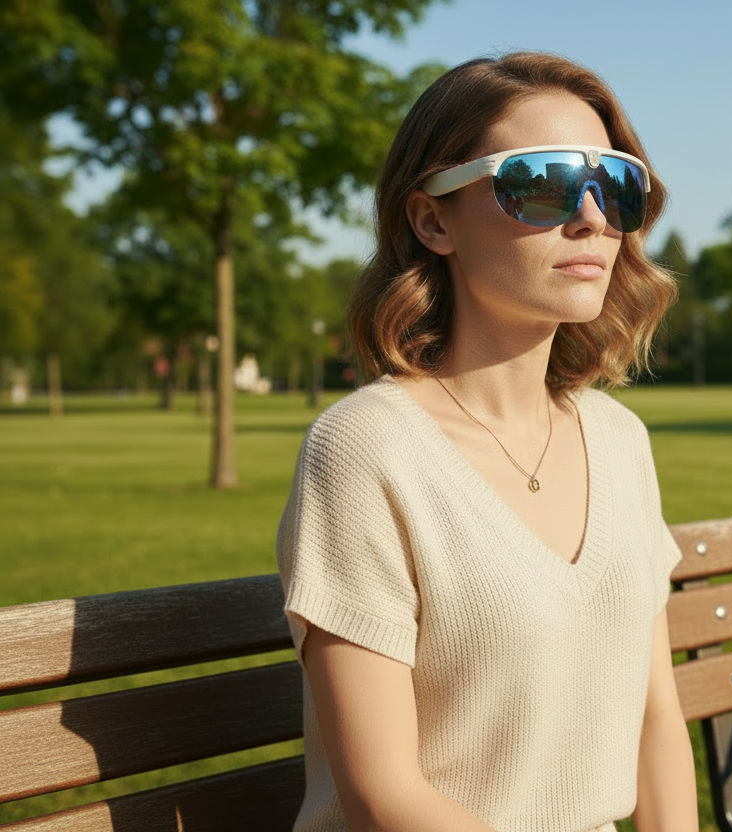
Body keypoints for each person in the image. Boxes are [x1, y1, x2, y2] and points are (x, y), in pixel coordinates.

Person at [276, 52, 698, 832]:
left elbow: (655, 723)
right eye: (540, 183)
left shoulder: (620, 440)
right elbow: (383, 797)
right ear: (433, 220)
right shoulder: (365, 450)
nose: (593, 218)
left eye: (616, 184)